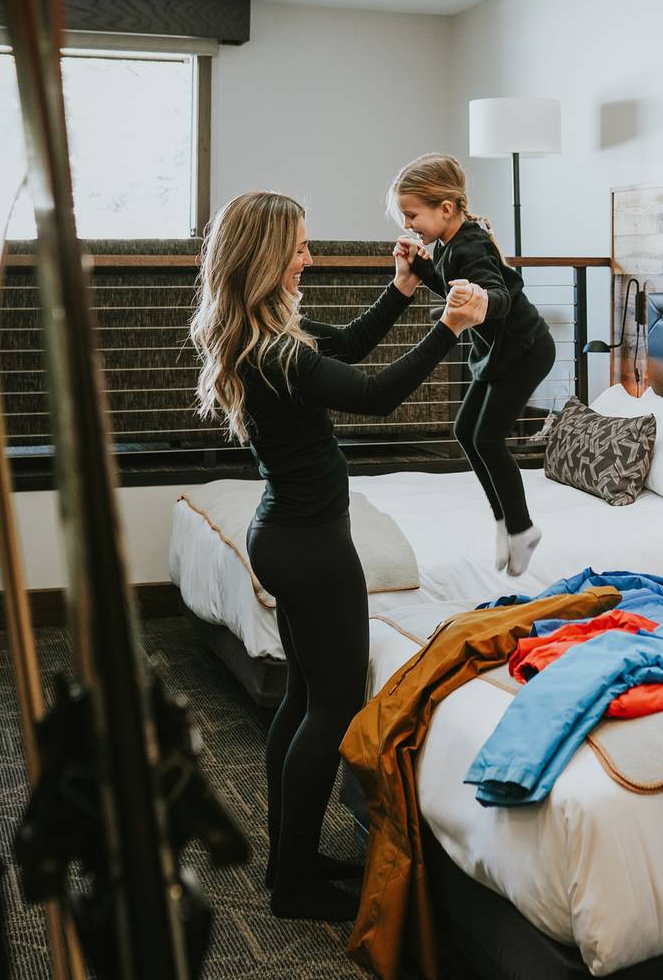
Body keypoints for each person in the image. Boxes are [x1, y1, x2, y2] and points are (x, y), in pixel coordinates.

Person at [190, 191, 486, 923]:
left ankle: (290, 861)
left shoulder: (263, 335)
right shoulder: (274, 349)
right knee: (332, 705)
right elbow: (376, 392)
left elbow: (349, 349)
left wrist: (402, 290)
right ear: (266, 257)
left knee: (303, 700)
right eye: (298, 248)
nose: (309, 259)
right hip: (311, 546)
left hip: (288, 536)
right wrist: (448, 326)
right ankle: (294, 883)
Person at [388, 152, 556, 576]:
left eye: (412, 215)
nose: (408, 225)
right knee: (466, 432)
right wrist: (422, 268)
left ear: (445, 209)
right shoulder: (450, 243)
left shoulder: (473, 244)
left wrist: (482, 299)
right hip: (498, 352)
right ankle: (506, 523)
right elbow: (451, 284)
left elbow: (496, 292)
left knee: (489, 440)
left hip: (525, 350)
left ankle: (522, 530)